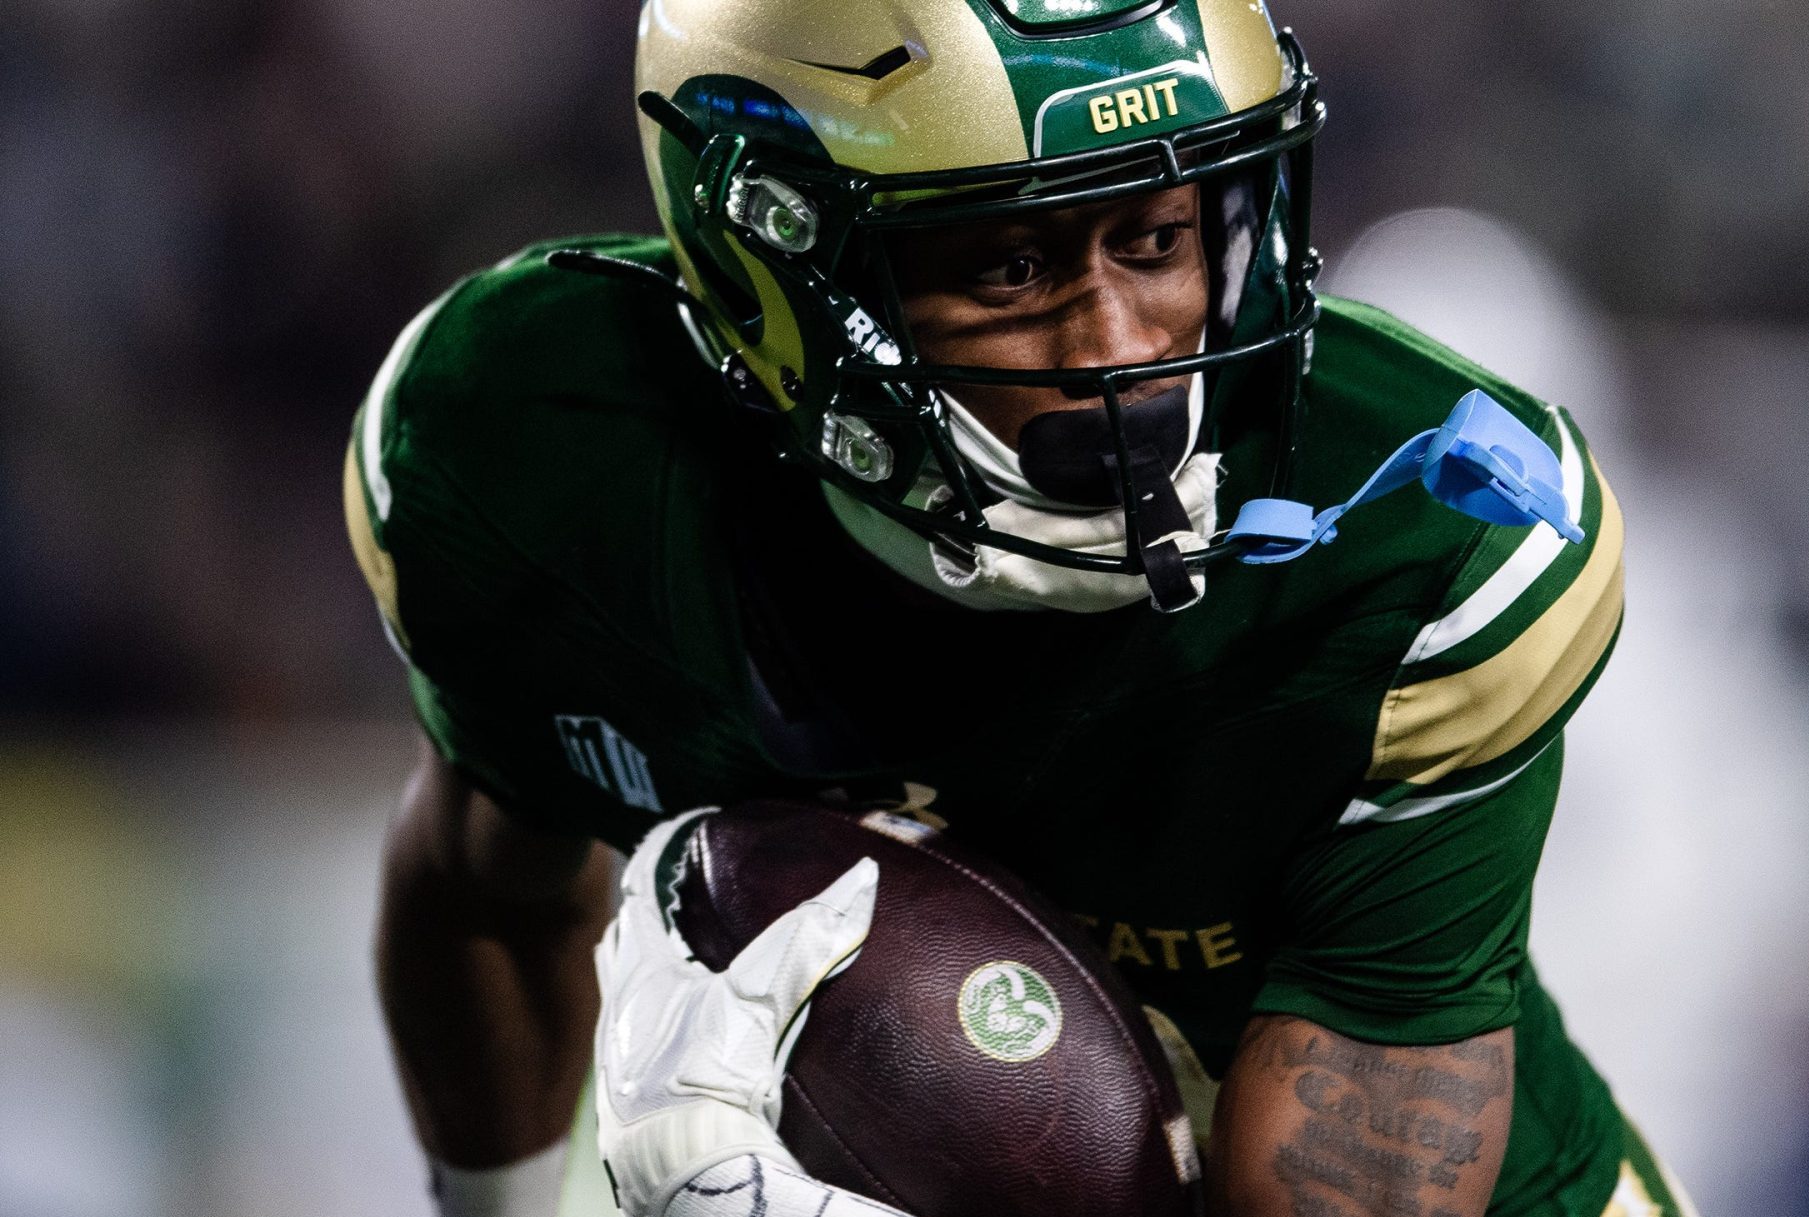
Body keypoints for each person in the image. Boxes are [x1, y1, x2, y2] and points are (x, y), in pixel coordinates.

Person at [344, 2, 1695, 1215]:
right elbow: (484, 894)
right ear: (783, 275)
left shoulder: (1417, 547)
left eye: (1157, 237)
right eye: (1009, 269)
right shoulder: (528, 446)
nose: (1120, 348)